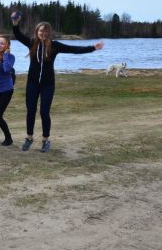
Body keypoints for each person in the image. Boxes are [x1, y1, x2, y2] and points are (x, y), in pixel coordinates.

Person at [12, 12, 103, 153]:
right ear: (37, 32)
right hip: (32, 84)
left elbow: (74, 49)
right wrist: (15, 22)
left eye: (46, 31)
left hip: (48, 84)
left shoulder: (55, 45)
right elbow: (18, 35)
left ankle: (45, 140)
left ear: (49, 33)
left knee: (44, 112)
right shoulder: (31, 43)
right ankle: (29, 138)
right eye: (41, 31)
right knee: (31, 111)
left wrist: (92, 48)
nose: (43, 33)